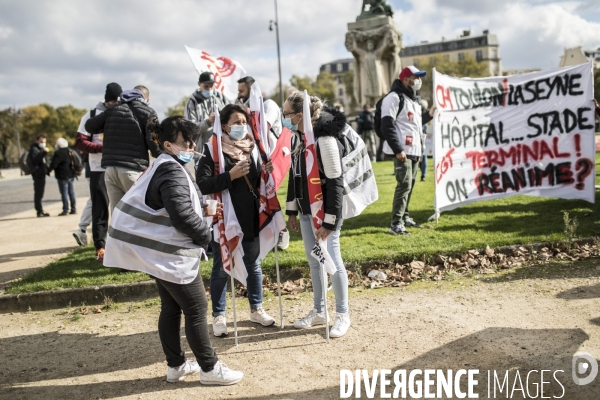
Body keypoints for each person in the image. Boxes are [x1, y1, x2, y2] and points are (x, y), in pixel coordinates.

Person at [104, 115, 243, 385]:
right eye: (186, 143)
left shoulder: (164, 165)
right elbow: (180, 215)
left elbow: (170, 206)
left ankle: (176, 365)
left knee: (171, 308)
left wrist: (201, 211)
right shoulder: (171, 170)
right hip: (169, 256)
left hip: (158, 254)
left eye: (193, 141)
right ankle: (210, 368)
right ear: (168, 144)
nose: (192, 147)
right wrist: (207, 236)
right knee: (195, 306)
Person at [196, 104, 276, 337]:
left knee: (254, 263)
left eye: (244, 121)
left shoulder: (254, 147)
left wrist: (267, 169)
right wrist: (229, 176)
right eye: (236, 122)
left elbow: (263, 181)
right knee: (221, 267)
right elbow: (202, 183)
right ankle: (219, 315)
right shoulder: (213, 149)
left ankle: (256, 309)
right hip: (225, 217)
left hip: (251, 214)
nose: (241, 126)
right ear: (224, 125)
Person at [283, 93, 351, 338]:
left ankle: (343, 314)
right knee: (315, 262)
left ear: (300, 116)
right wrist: (292, 210)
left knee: (332, 260)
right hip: (305, 210)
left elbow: (335, 183)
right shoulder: (297, 138)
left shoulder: (325, 139)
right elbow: (294, 176)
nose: (284, 119)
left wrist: (330, 221)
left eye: (287, 114)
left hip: (326, 213)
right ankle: (320, 310)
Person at [85, 85, 161, 216]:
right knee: (140, 213)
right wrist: (163, 156)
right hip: (132, 169)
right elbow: (154, 142)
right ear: (145, 99)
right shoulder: (148, 112)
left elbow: (90, 126)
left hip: (110, 170)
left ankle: (115, 237)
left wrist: (109, 124)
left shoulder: (112, 110)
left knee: (117, 215)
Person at [236, 75, 290, 250]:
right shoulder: (247, 108)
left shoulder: (269, 105)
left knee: (269, 191)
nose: (239, 95)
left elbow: (261, 127)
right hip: (258, 159)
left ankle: (281, 232)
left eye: (242, 91)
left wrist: (244, 113)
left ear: (251, 91)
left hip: (274, 158)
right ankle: (267, 229)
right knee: (260, 194)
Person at [381, 66, 435, 235]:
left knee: (409, 185)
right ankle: (395, 224)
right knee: (403, 185)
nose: (418, 80)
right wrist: (398, 149)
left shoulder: (413, 100)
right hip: (403, 150)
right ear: (406, 79)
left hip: (414, 150)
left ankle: (404, 217)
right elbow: (387, 125)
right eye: (415, 77)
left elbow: (416, 123)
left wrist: (430, 113)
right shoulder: (393, 98)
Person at [75, 82, 121, 257]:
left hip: (119, 165)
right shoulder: (92, 115)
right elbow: (80, 142)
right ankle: (100, 246)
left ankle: (119, 243)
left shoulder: (124, 112)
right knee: (100, 207)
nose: (115, 106)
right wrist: (101, 148)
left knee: (120, 206)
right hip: (98, 167)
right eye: (112, 103)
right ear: (107, 101)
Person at [184, 71, 231, 153]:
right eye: (206, 86)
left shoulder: (221, 98)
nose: (209, 89)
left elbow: (231, 115)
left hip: (222, 148)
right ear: (199, 84)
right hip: (201, 151)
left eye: (211, 86)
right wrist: (208, 122)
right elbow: (190, 128)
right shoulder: (192, 102)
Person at [49, 138, 76, 216]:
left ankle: (65, 209)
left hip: (62, 175)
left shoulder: (58, 153)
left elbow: (54, 164)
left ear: (59, 145)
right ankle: (73, 209)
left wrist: (48, 170)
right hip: (71, 174)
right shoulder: (70, 151)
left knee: (64, 192)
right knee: (71, 192)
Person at [28, 135, 50, 217]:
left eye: (44, 142)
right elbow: (35, 160)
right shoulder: (34, 149)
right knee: (38, 193)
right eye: (41, 142)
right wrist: (44, 152)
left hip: (41, 173)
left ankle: (40, 210)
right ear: (37, 141)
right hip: (37, 174)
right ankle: (39, 211)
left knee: (40, 193)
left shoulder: (39, 149)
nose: (43, 143)